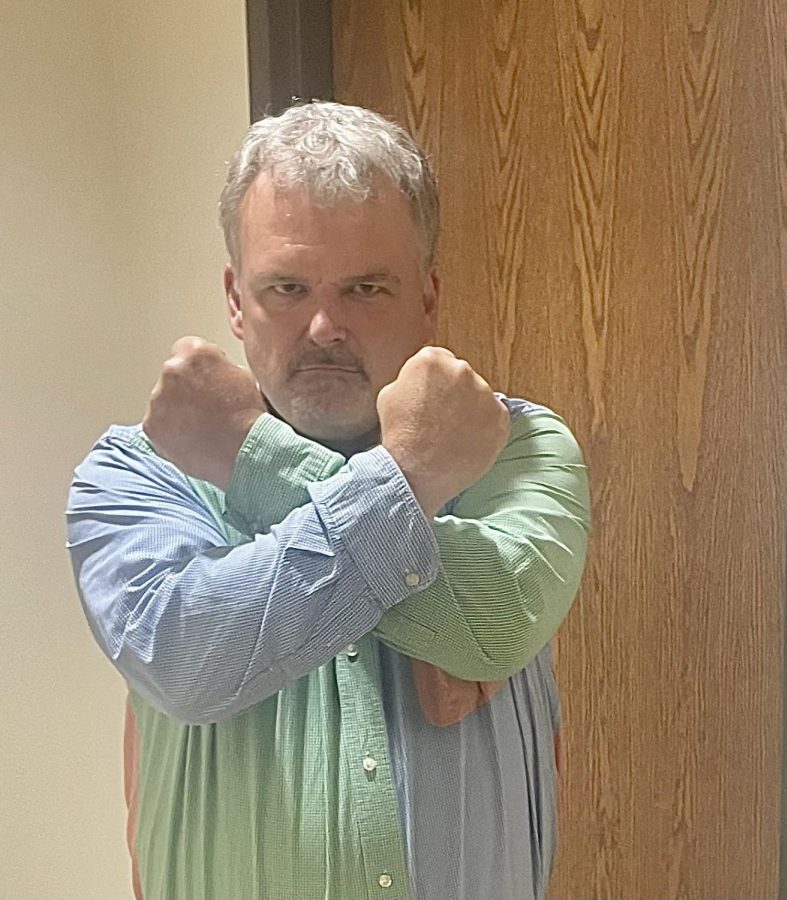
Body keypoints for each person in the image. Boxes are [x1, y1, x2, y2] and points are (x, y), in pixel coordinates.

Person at [66, 101, 589, 900]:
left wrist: (255, 456)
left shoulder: (514, 447)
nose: (323, 327)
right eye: (286, 287)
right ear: (236, 300)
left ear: (428, 294)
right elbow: (185, 656)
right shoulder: (138, 471)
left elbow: (489, 626)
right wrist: (409, 490)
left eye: (367, 288)